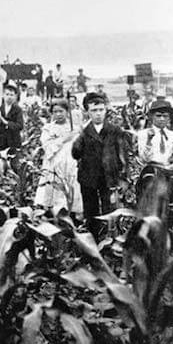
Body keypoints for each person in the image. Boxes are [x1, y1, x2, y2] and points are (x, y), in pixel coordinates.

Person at [71, 93, 128, 241]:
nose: (98, 114)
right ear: (88, 112)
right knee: (91, 212)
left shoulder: (115, 131)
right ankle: (93, 241)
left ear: (105, 110)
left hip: (109, 177)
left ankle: (110, 241)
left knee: (110, 210)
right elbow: (75, 154)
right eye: (94, 110)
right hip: (88, 177)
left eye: (101, 110)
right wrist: (76, 139)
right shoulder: (84, 132)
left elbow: (123, 156)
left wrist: (122, 178)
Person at [34, 99, 83, 215]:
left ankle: (72, 214)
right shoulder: (48, 128)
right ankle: (53, 213)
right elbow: (47, 147)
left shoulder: (75, 128)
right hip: (54, 165)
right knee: (54, 188)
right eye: (55, 112)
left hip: (71, 163)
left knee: (72, 188)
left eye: (61, 111)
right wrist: (64, 139)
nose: (58, 114)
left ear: (67, 112)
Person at [0, 84, 24, 153]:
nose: (9, 97)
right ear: (3, 95)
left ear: (15, 97)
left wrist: (5, 122)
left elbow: (20, 126)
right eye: (7, 94)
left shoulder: (18, 110)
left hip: (14, 142)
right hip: (1, 142)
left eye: (11, 95)